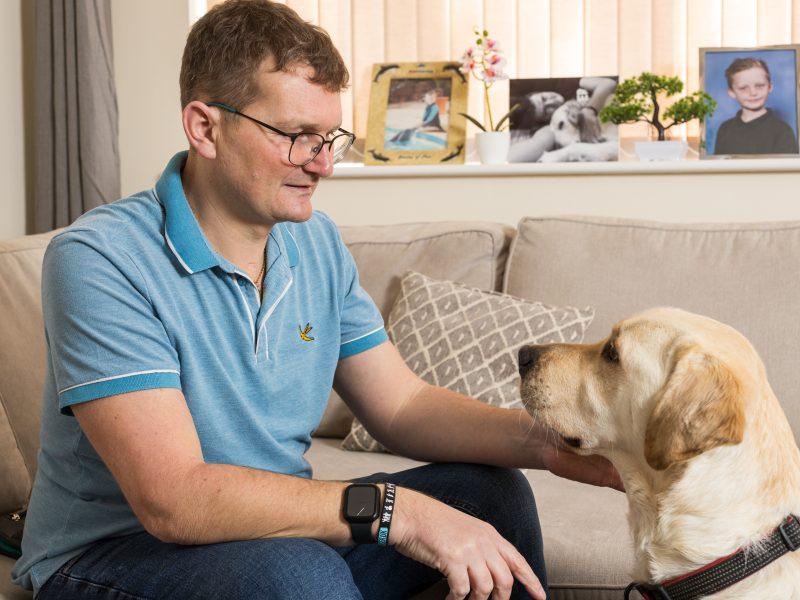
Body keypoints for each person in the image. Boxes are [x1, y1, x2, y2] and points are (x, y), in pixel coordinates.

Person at [12, 1, 621, 598]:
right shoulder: (101, 258)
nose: (325, 163)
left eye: (329, 136)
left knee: (491, 497)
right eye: (297, 136)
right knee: (301, 577)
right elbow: (174, 500)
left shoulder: (316, 244)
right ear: (205, 128)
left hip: (276, 543)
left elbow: (400, 405)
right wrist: (398, 512)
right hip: (116, 556)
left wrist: (550, 441)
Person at [509, 77, 617, 163]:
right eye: (546, 111)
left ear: (538, 92)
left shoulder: (565, 84)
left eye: (544, 98)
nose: (552, 102)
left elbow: (608, 83)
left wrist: (590, 110)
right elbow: (514, 157)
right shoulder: (551, 128)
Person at [713, 57, 799, 155]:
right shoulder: (725, 129)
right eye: (743, 88)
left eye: (759, 86)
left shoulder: (782, 131)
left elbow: (785, 169)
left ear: (769, 87)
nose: (753, 93)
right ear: (731, 92)